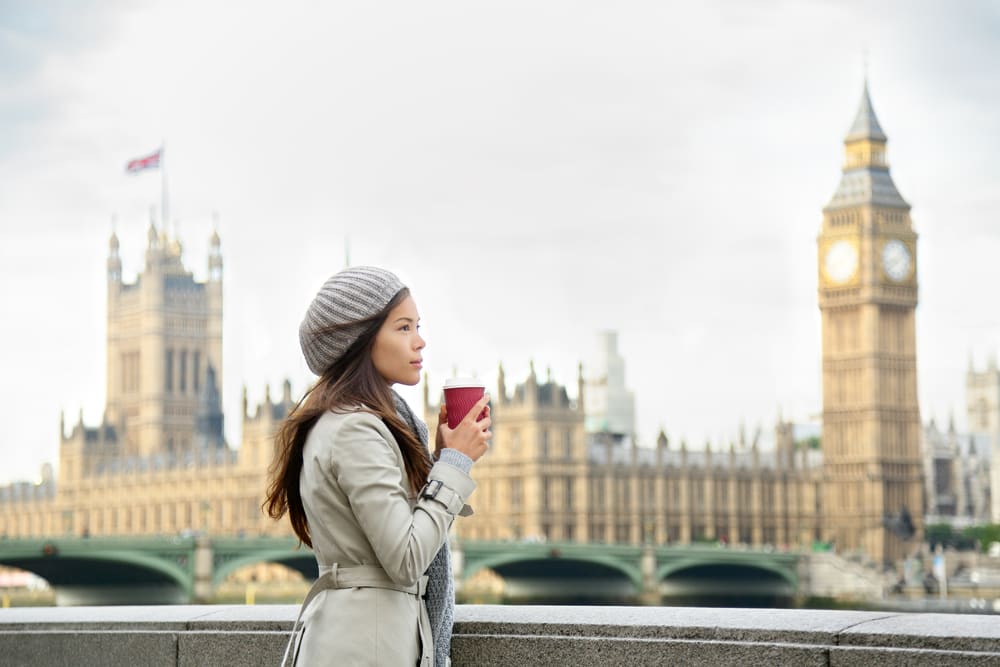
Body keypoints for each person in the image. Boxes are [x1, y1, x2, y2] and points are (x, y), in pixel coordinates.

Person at [264, 266, 491, 666]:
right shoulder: (355, 429)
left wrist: (439, 461)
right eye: (403, 328)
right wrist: (455, 465)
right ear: (360, 340)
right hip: (363, 646)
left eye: (418, 326)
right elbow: (406, 559)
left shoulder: (357, 422)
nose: (419, 341)